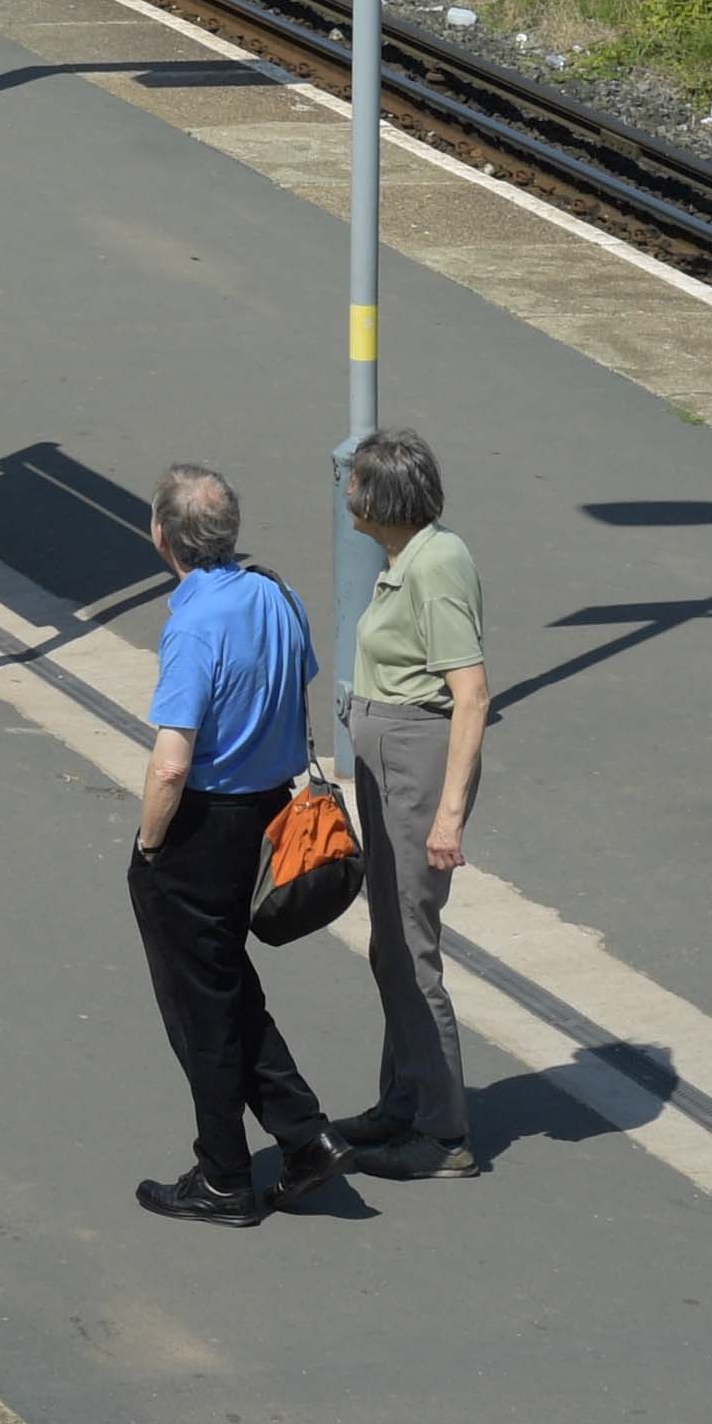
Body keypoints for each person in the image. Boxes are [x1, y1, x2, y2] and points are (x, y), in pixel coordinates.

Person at [126, 464, 343, 1226]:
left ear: (162, 535)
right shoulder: (278, 595)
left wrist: (150, 846)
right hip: (269, 815)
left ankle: (223, 1177)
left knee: (200, 1006)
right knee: (225, 984)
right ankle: (305, 1136)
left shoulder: (192, 626)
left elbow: (172, 760)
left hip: (202, 827)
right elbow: (296, 685)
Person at [336, 427, 490, 1183]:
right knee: (390, 942)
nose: (347, 491)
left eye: (356, 482)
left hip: (412, 767)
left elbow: (472, 695)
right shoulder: (407, 560)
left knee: (409, 946)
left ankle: (442, 1134)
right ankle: (403, 1099)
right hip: (390, 761)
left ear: (383, 500)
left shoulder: (435, 567)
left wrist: (447, 816)